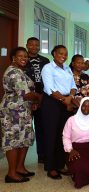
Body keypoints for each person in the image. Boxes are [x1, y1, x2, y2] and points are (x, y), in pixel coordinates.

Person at [1, 47, 40, 183]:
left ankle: (20, 168)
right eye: (20, 56)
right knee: (12, 141)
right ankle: (11, 174)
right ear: (13, 58)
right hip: (13, 112)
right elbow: (27, 93)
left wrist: (34, 100)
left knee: (25, 138)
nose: (24, 58)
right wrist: (39, 97)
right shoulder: (13, 72)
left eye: (26, 56)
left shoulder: (20, 71)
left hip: (23, 111)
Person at [41, 45, 77, 179]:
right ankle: (50, 167)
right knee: (51, 135)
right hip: (52, 103)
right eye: (60, 53)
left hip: (66, 102)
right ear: (54, 53)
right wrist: (64, 100)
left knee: (63, 134)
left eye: (65, 54)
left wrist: (70, 98)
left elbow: (73, 86)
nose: (63, 56)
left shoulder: (67, 68)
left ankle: (60, 164)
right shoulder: (48, 68)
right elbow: (50, 88)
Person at [62, 97, 89, 188]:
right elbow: (66, 137)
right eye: (84, 106)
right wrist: (70, 150)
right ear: (80, 106)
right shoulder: (71, 120)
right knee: (79, 166)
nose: (86, 108)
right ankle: (77, 178)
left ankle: (77, 175)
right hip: (74, 149)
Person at [25, 37, 50, 164]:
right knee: (25, 128)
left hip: (42, 98)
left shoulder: (45, 61)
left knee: (41, 127)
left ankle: (42, 154)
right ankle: (20, 160)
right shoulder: (23, 60)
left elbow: (47, 80)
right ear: (27, 45)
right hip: (26, 98)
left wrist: (40, 99)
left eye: (36, 45)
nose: (34, 47)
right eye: (31, 45)